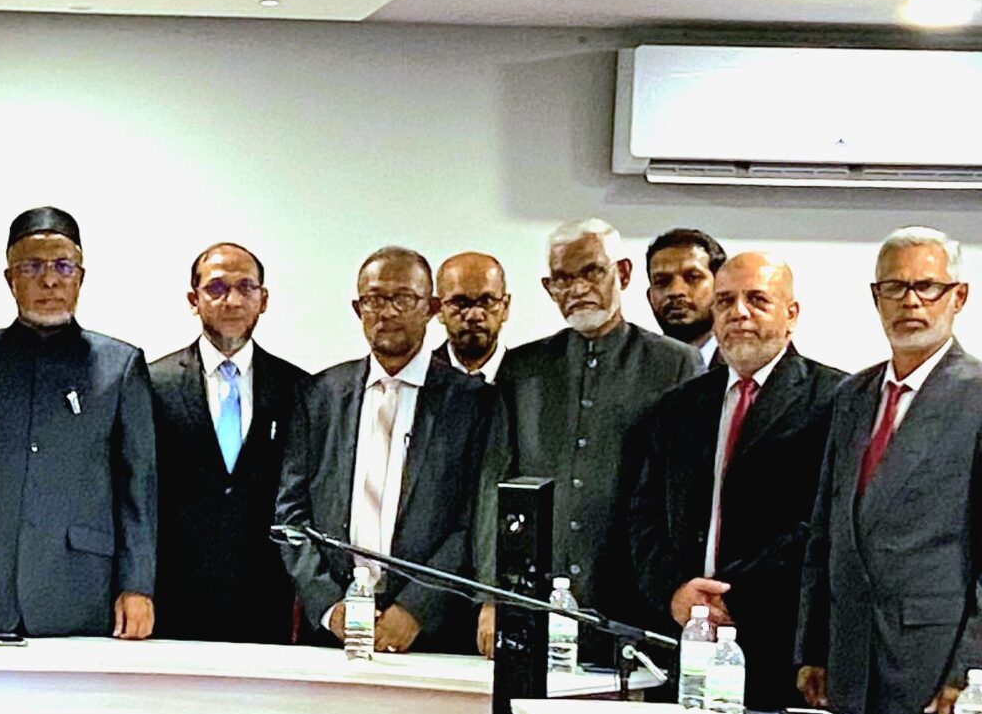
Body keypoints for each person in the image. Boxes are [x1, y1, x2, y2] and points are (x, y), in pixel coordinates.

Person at [798, 227, 982, 714]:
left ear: (958, 296)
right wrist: (812, 648)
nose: (911, 301)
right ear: (876, 297)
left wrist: (974, 675)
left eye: (927, 287)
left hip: (932, 673)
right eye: (895, 287)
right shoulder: (853, 394)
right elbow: (826, 532)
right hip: (845, 668)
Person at [0, 207, 156, 639]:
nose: (49, 280)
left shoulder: (120, 366)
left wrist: (137, 585)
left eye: (63, 266)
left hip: (81, 588)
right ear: (10, 279)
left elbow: (138, 489)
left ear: (81, 277)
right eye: (32, 267)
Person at [625, 253, 844, 711]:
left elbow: (822, 524)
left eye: (757, 300)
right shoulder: (677, 407)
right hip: (681, 638)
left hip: (778, 644)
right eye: (725, 301)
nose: (738, 313)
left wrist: (732, 598)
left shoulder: (834, 399)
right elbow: (644, 517)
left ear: (791, 314)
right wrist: (675, 591)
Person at [484, 219, 699, 654]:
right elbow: (494, 486)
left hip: (635, 601)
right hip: (534, 598)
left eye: (591, 272)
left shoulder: (675, 364)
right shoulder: (523, 368)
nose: (578, 288)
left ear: (623, 273)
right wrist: (491, 595)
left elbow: (683, 498)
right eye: (563, 279)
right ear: (548, 288)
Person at [275, 247, 500, 654]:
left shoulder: (473, 402)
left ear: (431, 308)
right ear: (357, 308)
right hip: (332, 632)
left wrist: (416, 609)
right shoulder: (318, 395)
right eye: (375, 299)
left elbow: (473, 522)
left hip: (431, 634)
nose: (388, 312)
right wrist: (329, 605)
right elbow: (291, 515)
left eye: (403, 298)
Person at [146, 242, 307, 643]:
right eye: (216, 288)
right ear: (194, 299)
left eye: (245, 287)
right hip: (172, 598)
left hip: (265, 599)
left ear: (263, 300)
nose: (232, 301)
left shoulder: (298, 388)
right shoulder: (152, 383)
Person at [645, 228, 726, 367]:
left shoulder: (746, 367)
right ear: (650, 297)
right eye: (662, 281)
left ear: (720, 290)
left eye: (693, 277)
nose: (675, 291)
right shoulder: (631, 369)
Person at [434, 252, 511, 381]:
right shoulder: (418, 379)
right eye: (460, 303)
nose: (474, 316)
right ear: (438, 309)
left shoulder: (535, 378)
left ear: (506, 307)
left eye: (487, 301)